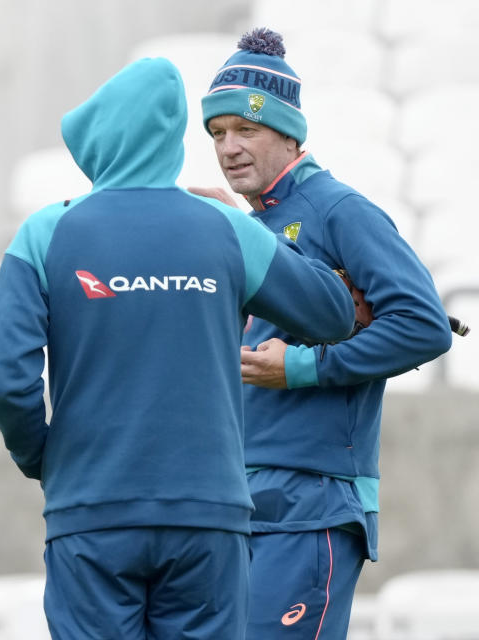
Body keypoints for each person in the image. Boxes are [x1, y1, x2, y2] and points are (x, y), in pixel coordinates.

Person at [0, 56, 357, 640]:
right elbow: (332, 314)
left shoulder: (45, 233)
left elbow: (7, 379)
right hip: (210, 517)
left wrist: (44, 459)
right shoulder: (226, 228)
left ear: (98, 138)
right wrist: (254, 239)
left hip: (91, 511)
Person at [197, 27, 453, 638]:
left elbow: (425, 326)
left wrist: (301, 367)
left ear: (290, 133)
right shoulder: (247, 222)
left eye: (246, 129)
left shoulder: (340, 210)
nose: (228, 147)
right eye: (216, 134)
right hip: (240, 501)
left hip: (312, 504)